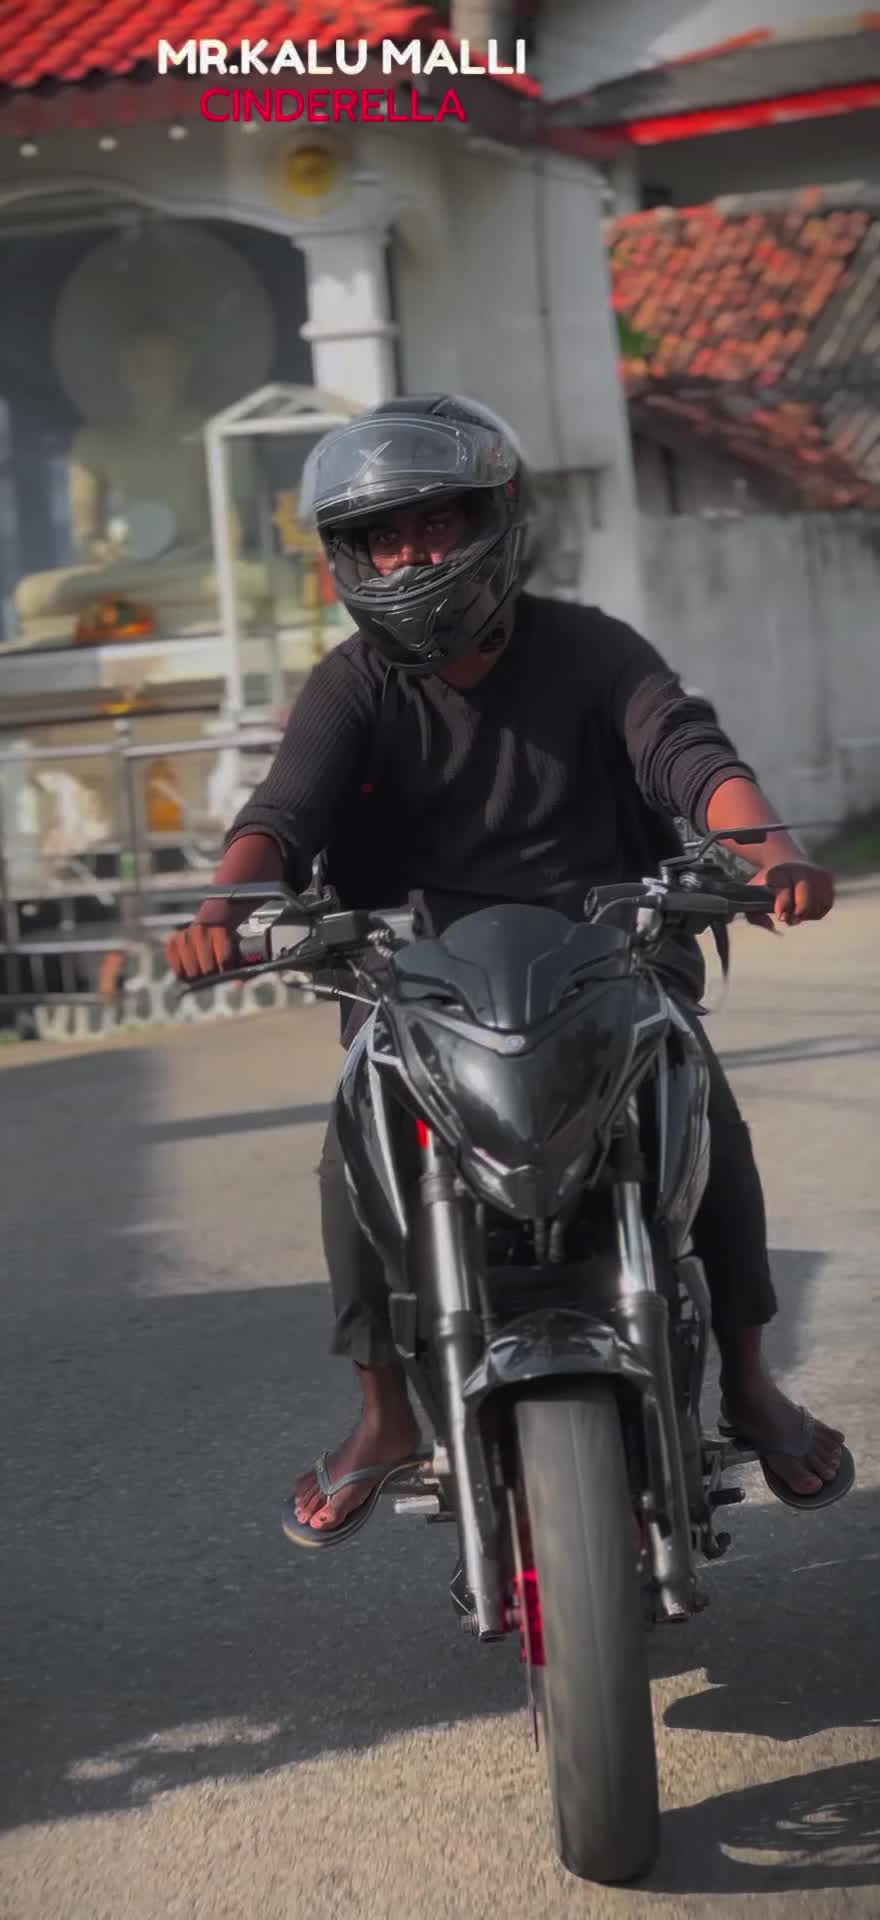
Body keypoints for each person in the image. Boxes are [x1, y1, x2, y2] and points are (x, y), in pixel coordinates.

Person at [160, 393, 854, 1544]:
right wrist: (222, 910)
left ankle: (748, 1381)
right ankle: (384, 1412)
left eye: (434, 523)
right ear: (349, 557)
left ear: (493, 521)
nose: (411, 555)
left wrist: (767, 851)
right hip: (424, 986)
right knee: (352, 1138)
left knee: (702, 1109)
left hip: (612, 956)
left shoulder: (592, 650)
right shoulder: (356, 684)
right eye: (383, 536)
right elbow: (281, 814)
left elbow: (689, 756)